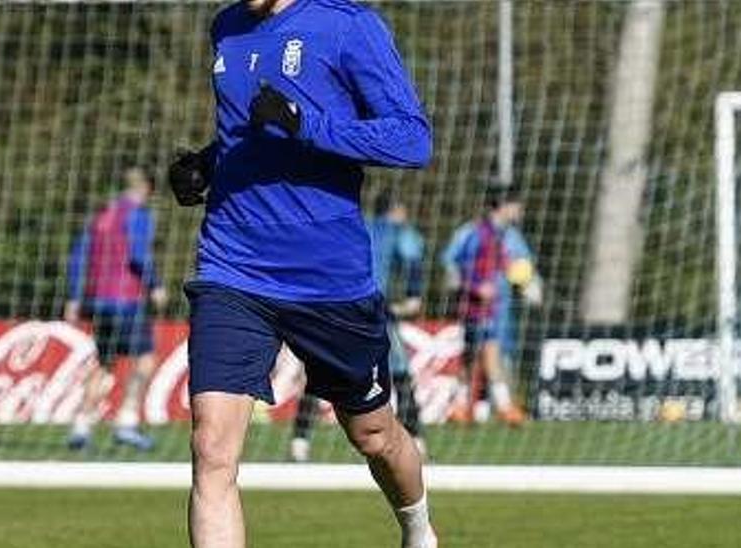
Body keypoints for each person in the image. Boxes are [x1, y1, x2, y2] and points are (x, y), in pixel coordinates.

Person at [167, 0, 436, 546]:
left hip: (328, 279)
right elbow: (251, 133)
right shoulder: (227, 27)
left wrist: (308, 125)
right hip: (232, 267)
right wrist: (208, 163)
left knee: (374, 435)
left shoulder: (347, 24)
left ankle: (419, 531)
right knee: (212, 448)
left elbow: (413, 139)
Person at [289, 192, 427, 463]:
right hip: (371, 310)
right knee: (399, 372)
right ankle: (416, 439)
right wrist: (413, 295)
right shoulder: (396, 231)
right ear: (396, 210)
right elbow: (412, 254)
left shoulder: (354, 225)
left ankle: (299, 441)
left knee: (320, 372)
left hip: (332, 307)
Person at [64, 167, 169, 451]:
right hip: (126, 299)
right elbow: (137, 254)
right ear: (146, 188)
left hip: (97, 300)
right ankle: (127, 422)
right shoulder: (138, 215)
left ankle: (81, 427)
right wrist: (155, 285)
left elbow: (78, 256)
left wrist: (74, 297)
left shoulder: (101, 215)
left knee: (105, 363)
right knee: (145, 360)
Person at [441, 185, 538, 427]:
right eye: (516, 204)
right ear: (503, 206)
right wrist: (474, 288)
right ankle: (496, 408)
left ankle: (469, 407)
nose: (520, 210)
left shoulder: (507, 235)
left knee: (482, 355)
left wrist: (528, 284)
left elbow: (516, 264)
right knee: (481, 355)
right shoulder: (475, 233)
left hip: (497, 307)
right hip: (476, 306)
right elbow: (454, 266)